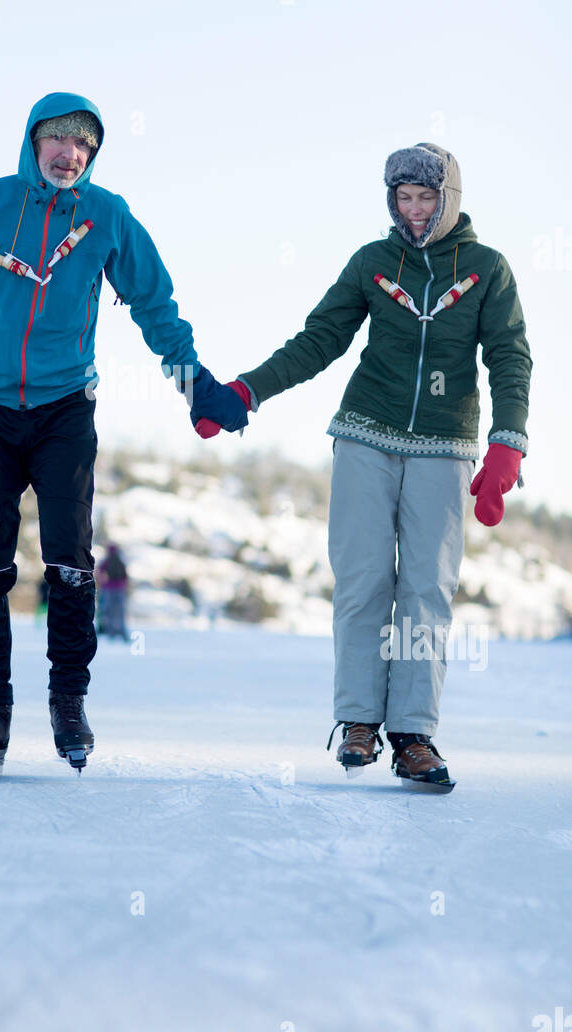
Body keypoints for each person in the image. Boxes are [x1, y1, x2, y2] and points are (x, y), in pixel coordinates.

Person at [0, 92, 247, 775]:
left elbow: (154, 305)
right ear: (33, 143)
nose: (69, 154)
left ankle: (68, 702)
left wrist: (194, 382)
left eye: (83, 146)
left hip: (63, 413)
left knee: (70, 563)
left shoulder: (107, 216)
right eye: (57, 140)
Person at [195, 143, 531, 791]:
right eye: (403, 198)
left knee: (426, 593)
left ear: (449, 199)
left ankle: (413, 735)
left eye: (426, 198)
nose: (413, 211)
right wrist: (247, 391)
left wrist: (507, 442)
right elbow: (319, 338)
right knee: (363, 582)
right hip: (364, 436)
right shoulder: (374, 262)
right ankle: (356, 721)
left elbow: (510, 357)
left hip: (445, 445)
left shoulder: (488, 269)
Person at [97, 543, 130, 641]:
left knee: (109, 610)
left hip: (108, 588)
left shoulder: (106, 561)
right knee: (120, 611)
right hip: (120, 588)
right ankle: (122, 632)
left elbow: (100, 572)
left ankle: (110, 632)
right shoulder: (120, 561)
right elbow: (125, 576)